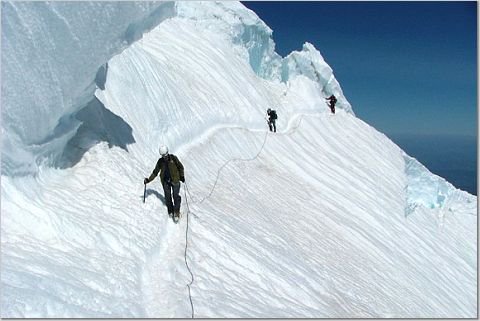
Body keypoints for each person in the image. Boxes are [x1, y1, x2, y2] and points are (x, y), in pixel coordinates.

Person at [144, 145, 185, 220]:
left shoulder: (173, 158)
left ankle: (176, 212)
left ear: (167, 153)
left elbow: (180, 167)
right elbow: (155, 172)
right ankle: (170, 211)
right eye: (163, 156)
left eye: (165, 155)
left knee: (175, 196)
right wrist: (148, 180)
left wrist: (181, 176)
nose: (165, 157)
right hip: (166, 181)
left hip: (175, 180)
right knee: (167, 197)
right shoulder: (160, 162)